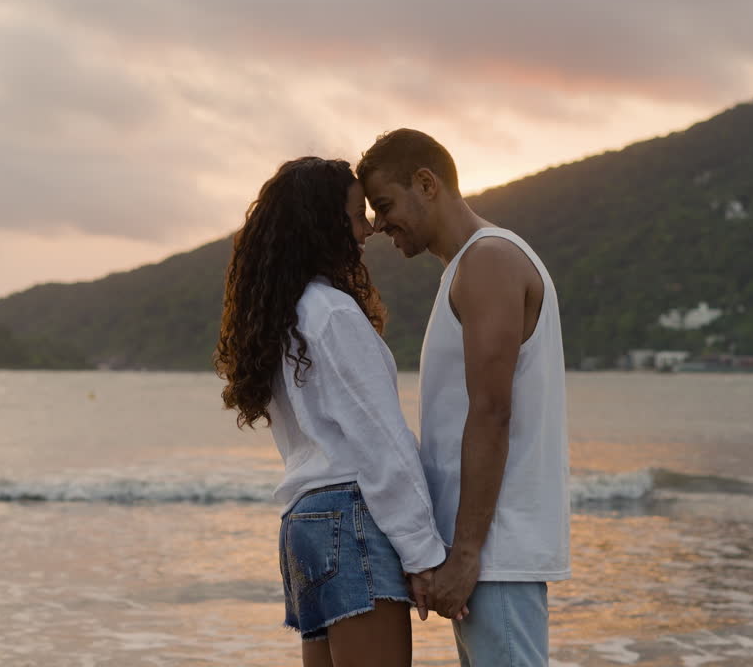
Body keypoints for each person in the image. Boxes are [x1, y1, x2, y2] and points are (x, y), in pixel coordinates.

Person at [214, 156, 463, 667]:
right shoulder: (332, 314)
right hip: (350, 517)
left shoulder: (283, 317)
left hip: (304, 522)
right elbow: (381, 442)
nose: (367, 229)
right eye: (354, 217)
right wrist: (423, 555)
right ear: (321, 226)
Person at [358, 131, 570, 667]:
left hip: (495, 553)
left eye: (384, 205)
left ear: (426, 183)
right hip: (484, 553)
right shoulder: (467, 266)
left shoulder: (489, 261)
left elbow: (492, 412)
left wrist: (468, 553)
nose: (379, 225)